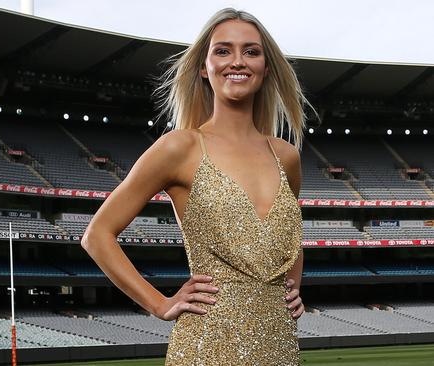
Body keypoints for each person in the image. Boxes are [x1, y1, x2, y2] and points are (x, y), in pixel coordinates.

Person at [81, 7, 311, 365]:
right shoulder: (180, 147)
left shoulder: (287, 157)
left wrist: (292, 288)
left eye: (251, 51)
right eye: (223, 50)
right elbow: (97, 235)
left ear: (266, 69)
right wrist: (160, 303)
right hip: (207, 345)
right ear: (204, 68)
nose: (237, 61)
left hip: (279, 345)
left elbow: (290, 237)